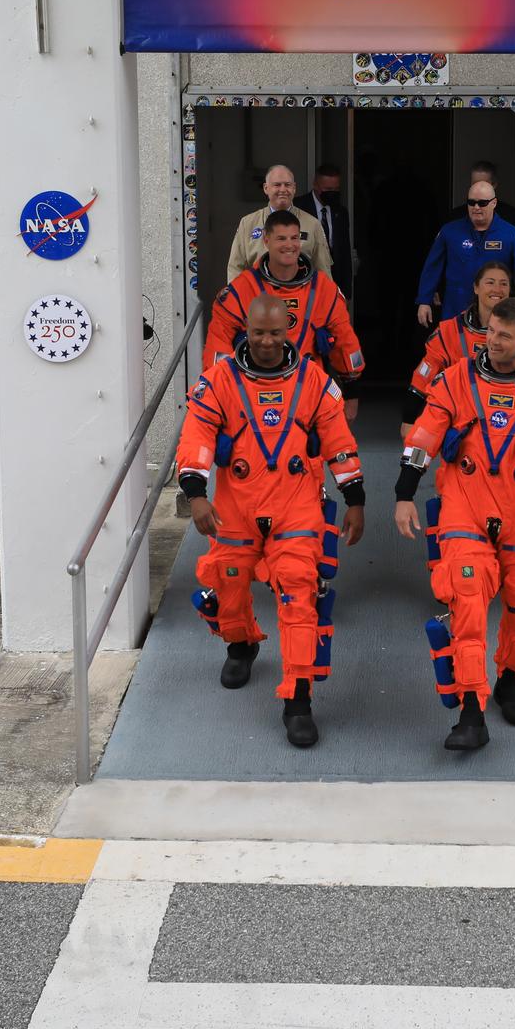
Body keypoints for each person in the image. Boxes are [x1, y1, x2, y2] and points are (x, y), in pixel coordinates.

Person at [393, 297, 515, 751]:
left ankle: (509, 679)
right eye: (490, 331)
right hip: (466, 505)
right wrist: (405, 493)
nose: (493, 341)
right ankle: (470, 711)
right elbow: (424, 435)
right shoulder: (456, 379)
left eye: (505, 335)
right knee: (465, 602)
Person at [177, 294, 366, 748]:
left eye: (276, 333)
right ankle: (241, 643)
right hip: (235, 507)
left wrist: (355, 498)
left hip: (296, 506)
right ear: (245, 329)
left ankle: (298, 700)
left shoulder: (316, 382)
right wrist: (195, 494)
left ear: (289, 334)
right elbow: (198, 436)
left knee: (299, 592)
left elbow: (339, 442)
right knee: (227, 579)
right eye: (258, 332)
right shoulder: (219, 380)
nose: (266, 342)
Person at [206, 210, 365, 419]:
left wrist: (351, 395)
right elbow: (218, 346)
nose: (289, 245)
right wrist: (223, 397)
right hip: (253, 393)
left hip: (308, 391)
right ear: (266, 240)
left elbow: (346, 342)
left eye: (294, 238)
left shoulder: (323, 290)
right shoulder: (241, 290)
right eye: (281, 238)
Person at [403, 260, 515, 427]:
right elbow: (424, 375)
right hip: (460, 419)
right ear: (476, 288)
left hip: (510, 418)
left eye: (503, 284)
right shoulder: (449, 331)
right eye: (490, 282)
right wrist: (408, 419)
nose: (497, 289)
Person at [415, 179, 515, 327]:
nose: (476, 207)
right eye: (471, 202)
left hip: (497, 310)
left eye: (482, 203)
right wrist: (424, 300)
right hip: (456, 309)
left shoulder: (512, 234)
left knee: (495, 347)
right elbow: (432, 266)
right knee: (453, 348)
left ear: (494, 203)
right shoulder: (450, 231)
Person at [229, 165, 331, 280]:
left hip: (300, 294)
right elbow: (235, 268)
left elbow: (323, 271)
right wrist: (239, 297)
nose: (283, 190)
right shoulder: (247, 223)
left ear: (294, 188)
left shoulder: (313, 224)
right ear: (265, 188)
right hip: (259, 295)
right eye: (277, 185)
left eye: (287, 185)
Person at [295, 163, 353, 299]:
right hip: (307, 278)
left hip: (335, 280)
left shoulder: (341, 212)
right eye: (327, 189)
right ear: (315, 185)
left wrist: (347, 293)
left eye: (336, 189)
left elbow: (344, 252)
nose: (332, 193)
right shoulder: (298, 208)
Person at [442, 160, 515, 235]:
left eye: (483, 184)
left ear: (494, 185)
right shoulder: (456, 216)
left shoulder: (513, 217)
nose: (479, 187)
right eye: (475, 183)